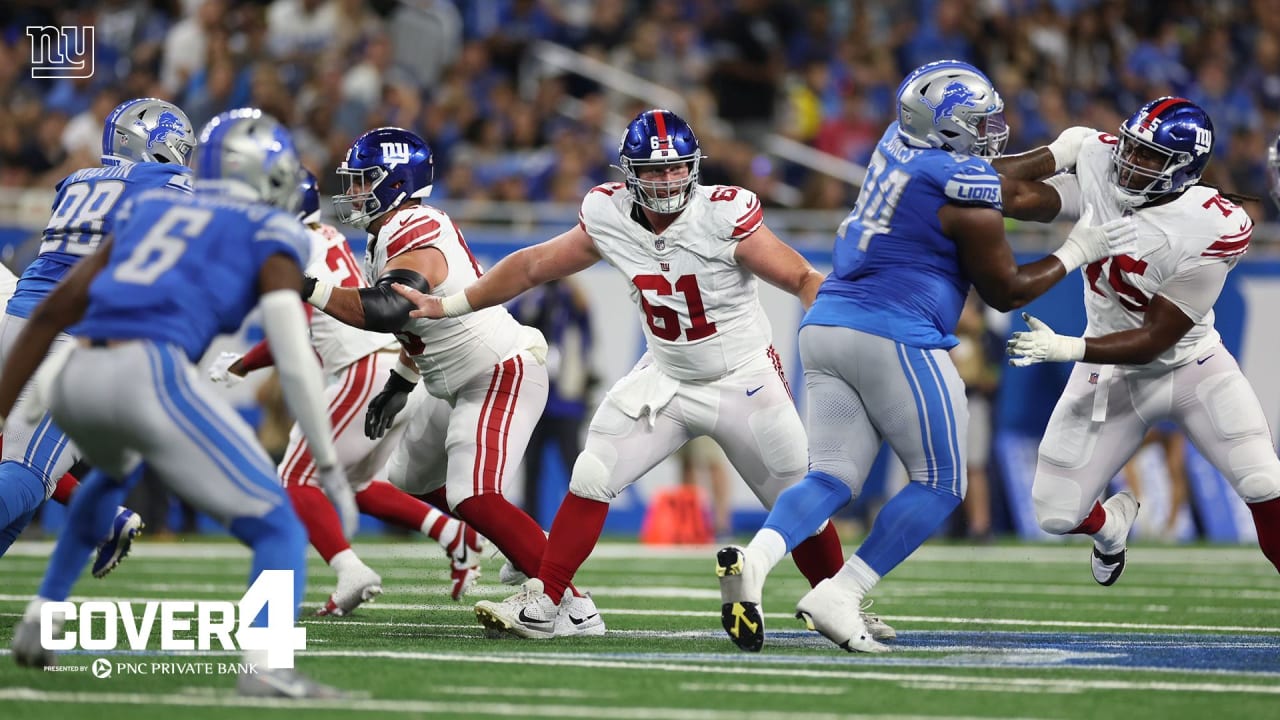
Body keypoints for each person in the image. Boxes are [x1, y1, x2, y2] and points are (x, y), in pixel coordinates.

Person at [707, 60, 1140, 654]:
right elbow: (1005, 285)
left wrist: (1066, 164)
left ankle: (755, 562)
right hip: (896, 333)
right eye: (978, 121)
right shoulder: (962, 189)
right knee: (941, 482)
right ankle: (842, 592)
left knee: (831, 476)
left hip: (827, 324)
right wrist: (1077, 244)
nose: (991, 130)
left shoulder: (896, 144)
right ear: (948, 127)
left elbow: (1002, 186)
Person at [392, 108, 870, 642]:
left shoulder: (723, 213)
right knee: (593, 472)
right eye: (652, 170)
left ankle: (836, 600)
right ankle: (549, 601)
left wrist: (832, 328)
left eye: (675, 169)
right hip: (665, 374)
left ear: (693, 168)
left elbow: (802, 275)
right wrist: (450, 305)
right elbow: (531, 266)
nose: (665, 181)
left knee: (798, 499)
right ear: (629, 172)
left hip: (742, 378)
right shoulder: (609, 214)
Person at [0, 108, 355, 698]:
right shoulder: (273, 230)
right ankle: (268, 666)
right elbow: (293, 358)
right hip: (146, 371)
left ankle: (42, 617)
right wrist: (329, 464)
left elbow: (59, 308)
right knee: (279, 528)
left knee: (112, 475)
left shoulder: (147, 207)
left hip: (76, 364)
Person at [299, 127, 593, 630]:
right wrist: (399, 381)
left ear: (396, 183)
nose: (352, 193)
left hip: (498, 369)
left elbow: (391, 309)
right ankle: (529, 550)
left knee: (472, 493)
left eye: (364, 181)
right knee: (410, 476)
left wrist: (302, 284)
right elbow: (420, 322)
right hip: (452, 379)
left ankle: (571, 605)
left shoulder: (412, 224)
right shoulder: (387, 235)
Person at [998, 96, 1280, 579]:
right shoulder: (1102, 162)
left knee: (1262, 480)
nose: (1130, 161)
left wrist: (1069, 348)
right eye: (1131, 146)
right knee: (1056, 511)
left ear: (1183, 168)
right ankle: (1111, 527)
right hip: (1112, 373)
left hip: (1192, 366)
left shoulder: (1213, 225)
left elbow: (1155, 338)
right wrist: (1054, 153)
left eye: (1149, 156)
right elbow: (1004, 193)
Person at [209, 170, 486, 614]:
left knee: (295, 479)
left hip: (364, 371)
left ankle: (350, 570)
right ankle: (452, 533)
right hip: (392, 364)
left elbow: (293, 325)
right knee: (353, 482)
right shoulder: (329, 236)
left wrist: (244, 364)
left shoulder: (293, 246)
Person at [0, 98, 198, 570]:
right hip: (73, 339)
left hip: (22, 324)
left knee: (28, 471)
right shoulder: (167, 184)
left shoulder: (77, 181)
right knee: (30, 472)